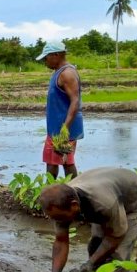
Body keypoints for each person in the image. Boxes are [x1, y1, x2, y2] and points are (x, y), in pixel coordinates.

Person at [38, 167, 137, 272]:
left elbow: (116, 236)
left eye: (59, 218)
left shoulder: (103, 204)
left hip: (136, 201)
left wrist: (90, 263)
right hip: (109, 192)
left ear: (74, 206)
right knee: (95, 244)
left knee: (118, 253)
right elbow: (61, 242)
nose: (56, 221)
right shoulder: (59, 206)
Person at [36, 41, 83, 180]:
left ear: (56, 55)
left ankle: (75, 192)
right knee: (52, 161)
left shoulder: (67, 74)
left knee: (66, 162)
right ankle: (51, 190)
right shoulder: (58, 73)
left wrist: (65, 128)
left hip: (64, 128)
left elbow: (75, 101)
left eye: (46, 57)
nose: (45, 61)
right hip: (56, 128)